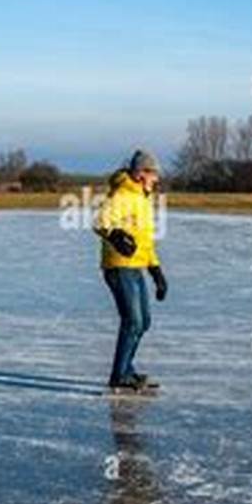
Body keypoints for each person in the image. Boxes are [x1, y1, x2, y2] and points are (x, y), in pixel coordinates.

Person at [93, 149, 167, 391]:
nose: (156, 178)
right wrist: (115, 235)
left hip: (136, 266)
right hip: (119, 266)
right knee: (132, 320)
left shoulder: (143, 198)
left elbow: (145, 240)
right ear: (140, 174)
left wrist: (156, 271)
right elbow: (100, 220)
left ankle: (127, 369)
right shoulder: (124, 194)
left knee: (143, 322)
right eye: (153, 173)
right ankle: (119, 375)